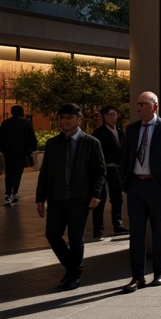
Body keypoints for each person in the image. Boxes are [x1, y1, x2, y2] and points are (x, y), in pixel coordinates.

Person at [120, 91, 161, 292]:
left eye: (143, 104)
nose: (138, 107)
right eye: (137, 104)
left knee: (160, 232)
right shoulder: (131, 130)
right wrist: (126, 184)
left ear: (154, 106)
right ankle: (137, 277)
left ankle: (159, 273)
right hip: (136, 188)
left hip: (160, 188)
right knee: (136, 234)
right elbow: (126, 158)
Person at [36, 103, 105, 290]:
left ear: (79, 120)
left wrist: (96, 195)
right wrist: (39, 198)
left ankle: (74, 275)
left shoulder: (91, 143)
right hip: (56, 198)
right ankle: (73, 268)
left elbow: (100, 172)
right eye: (62, 118)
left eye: (69, 118)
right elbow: (45, 172)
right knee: (52, 234)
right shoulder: (52, 144)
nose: (65, 121)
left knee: (76, 238)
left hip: (79, 198)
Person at [92, 105, 128, 238]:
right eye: (108, 115)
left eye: (113, 114)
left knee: (117, 198)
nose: (111, 117)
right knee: (100, 199)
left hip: (117, 170)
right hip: (104, 169)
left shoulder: (121, 131)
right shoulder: (98, 133)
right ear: (103, 117)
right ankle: (98, 228)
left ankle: (117, 225)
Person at [1, 104, 37, 205]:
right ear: (22, 112)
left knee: (9, 173)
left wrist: (3, 150)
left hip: (8, 152)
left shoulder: (5, 123)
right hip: (21, 152)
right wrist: (33, 149)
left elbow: (1, 138)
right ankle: (14, 192)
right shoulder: (26, 124)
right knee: (17, 173)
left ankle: (8, 194)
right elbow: (32, 138)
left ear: (12, 112)